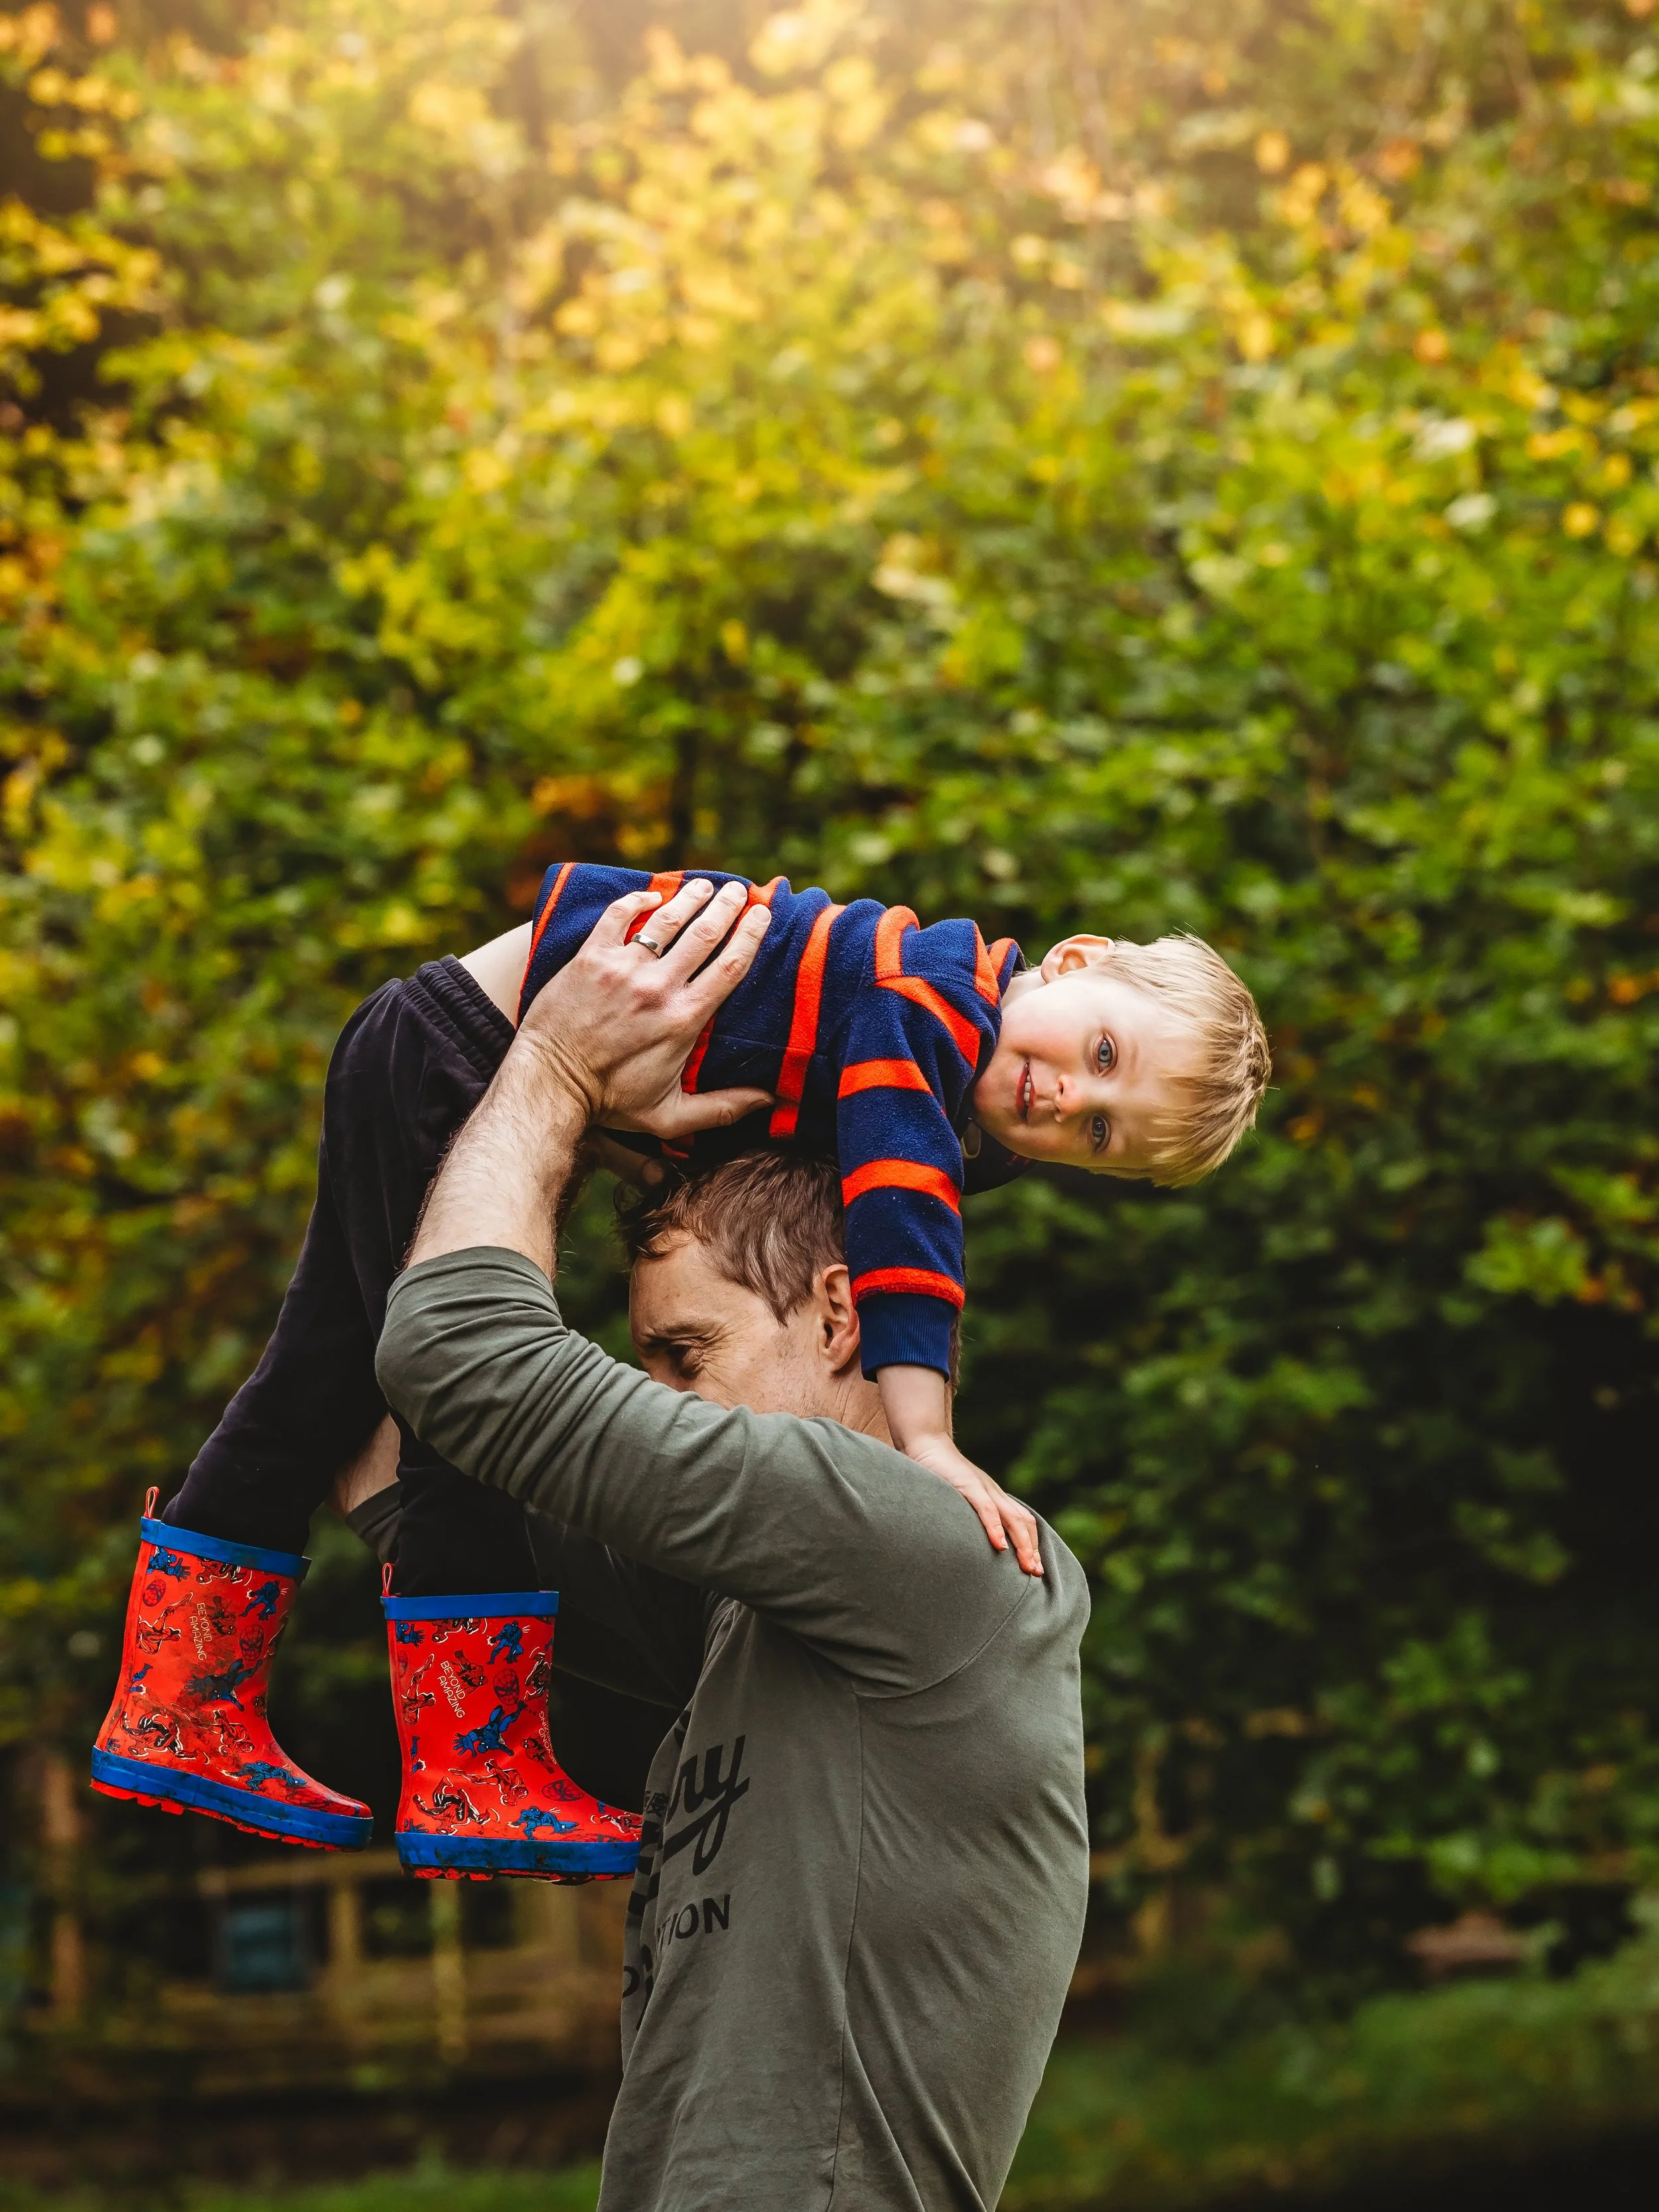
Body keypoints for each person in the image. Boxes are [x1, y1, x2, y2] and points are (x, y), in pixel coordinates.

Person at [92, 868, 1265, 1870]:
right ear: (1073, 959)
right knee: (458, 1436)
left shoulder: (970, 1089)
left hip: (431, 1040)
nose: (1069, 1098)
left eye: (1101, 1131)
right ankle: (473, 1767)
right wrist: (928, 1439)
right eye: (1102, 1052)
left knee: (313, 1384)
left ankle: (174, 1703)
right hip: (468, 1048)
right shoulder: (939, 1009)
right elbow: (906, 1226)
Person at [370, 884, 1093, 2211]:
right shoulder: (744, 1624)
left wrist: (549, 1067)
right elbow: (415, 1450)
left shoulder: (930, 1549)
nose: (660, 1401)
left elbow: (452, 1354)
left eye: (682, 1356)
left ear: (836, 1310)